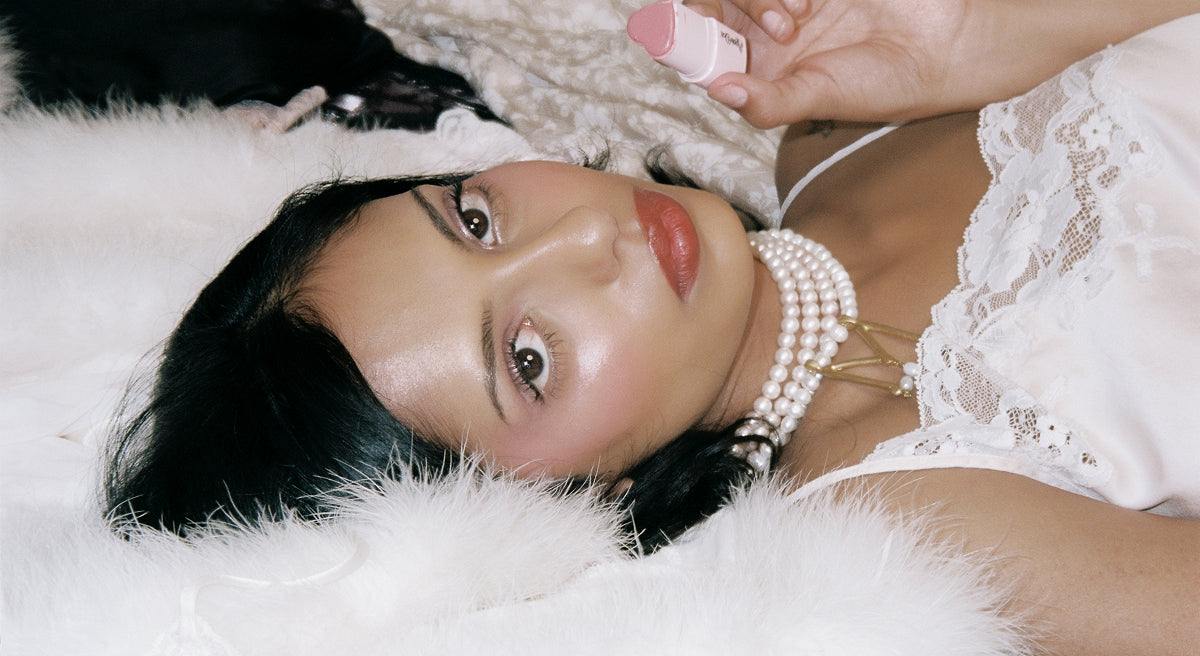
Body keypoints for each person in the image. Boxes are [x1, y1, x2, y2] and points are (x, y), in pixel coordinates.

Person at [105, 0, 1200, 653]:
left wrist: (976, 30)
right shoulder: (909, 519)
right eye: (527, 358)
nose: (590, 239)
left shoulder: (831, 119)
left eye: (476, 218)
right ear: (578, 502)